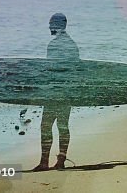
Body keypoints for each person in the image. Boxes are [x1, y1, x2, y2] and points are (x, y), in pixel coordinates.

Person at [33, 13, 80, 171]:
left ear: (56, 25)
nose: (49, 27)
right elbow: (75, 71)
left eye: (51, 23)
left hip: (54, 92)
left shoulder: (53, 45)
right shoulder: (73, 45)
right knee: (63, 125)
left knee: (46, 126)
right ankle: (61, 161)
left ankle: (44, 162)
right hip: (67, 92)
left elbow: (50, 71)